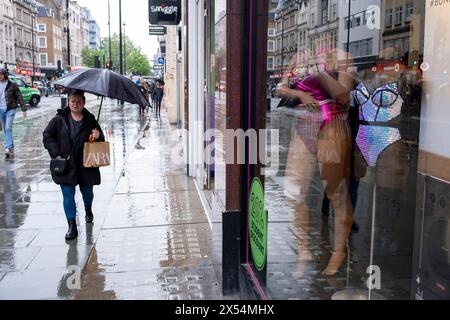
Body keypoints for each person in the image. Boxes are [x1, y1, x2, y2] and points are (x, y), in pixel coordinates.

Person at [43, 90, 105, 241]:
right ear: (68, 102)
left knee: (87, 193)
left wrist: (97, 137)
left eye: (78, 102)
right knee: (68, 195)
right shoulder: (59, 119)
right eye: (72, 101)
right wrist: (56, 153)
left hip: (86, 163)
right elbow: (47, 135)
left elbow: (100, 141)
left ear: (84, 103)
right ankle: (72, 226)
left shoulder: (91, 121)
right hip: (66, 164)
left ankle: (88, 210)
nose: (75, 104)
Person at [0, 66, 27, 157]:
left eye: (1, 74)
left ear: (5, 74)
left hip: (10, 109)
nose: (0, 76)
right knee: (5, 129)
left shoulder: (12, 85)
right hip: (1, 110)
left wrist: (24, 109)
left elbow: (19, 96)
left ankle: (8, 147)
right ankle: (10, 147)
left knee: (8, 128)